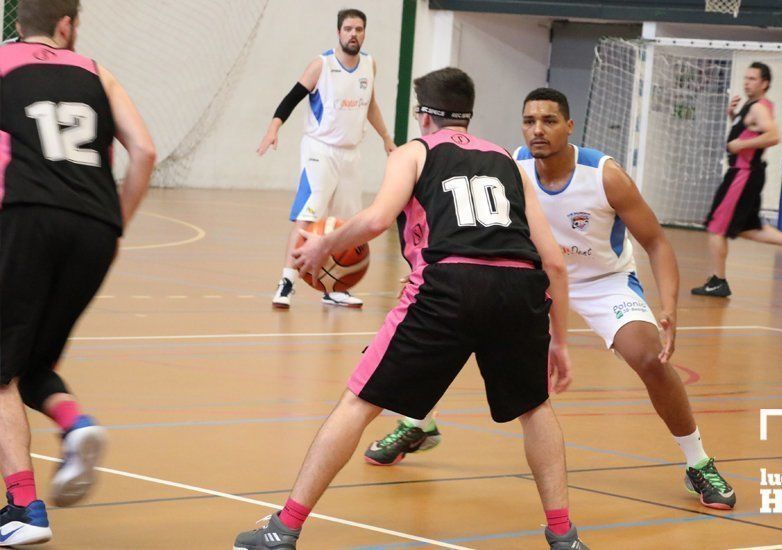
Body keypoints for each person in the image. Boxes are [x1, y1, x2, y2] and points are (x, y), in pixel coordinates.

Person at [233, 68, 588, 550]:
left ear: (423, 114)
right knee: (535, 409)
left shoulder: (414, 152)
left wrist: (323, 247)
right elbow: (554, 263)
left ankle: (286, 527)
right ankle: (564, 535)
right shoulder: (508, 159)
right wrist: (561, 341)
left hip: (448, 287)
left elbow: (378, 218)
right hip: (518, 288)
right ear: (468, 112)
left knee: (358, 402)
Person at [366, 88, 736, 511]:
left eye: (548, 121)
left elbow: (656, 242)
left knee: (650, 358)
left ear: (569, 126)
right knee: (462, 321)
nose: (537, 130)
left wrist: (669, 307)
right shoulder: (509, 165)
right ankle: (418, 424)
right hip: (533, 276)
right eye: (529, 121)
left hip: (603, 280)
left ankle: (698, 462)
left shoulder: (604, 175)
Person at [0, 0, 155, 544]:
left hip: (27, 219)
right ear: (66, 26)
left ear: (19, 23)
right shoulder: (97, 72)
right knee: (33, 362)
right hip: (94, 227)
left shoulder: (2, 62)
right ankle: (77, 426)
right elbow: (144, 152)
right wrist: (116, 225)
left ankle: (23, 508)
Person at [258, 8, 396, 309]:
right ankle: (287, 281)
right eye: (348, 29)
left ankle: (335, 287)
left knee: (345, 224)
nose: (353, 34)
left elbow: (370, 105)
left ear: (364, 33)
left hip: (351, 155)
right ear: (338, 32)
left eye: (359, 29)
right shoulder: (321, 65)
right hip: (319, 150)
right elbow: (291, 98)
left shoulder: (370, 65)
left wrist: (386, 137)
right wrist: (273, 128)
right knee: (309, 216)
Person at [692, 62, 782, 297]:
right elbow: (751, 131)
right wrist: (733, 118)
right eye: (746, 77)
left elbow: (774, 135)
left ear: (765, 83)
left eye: (753, 79)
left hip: (742, 175)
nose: (747, 82)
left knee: (716, 226)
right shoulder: (752, 106)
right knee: (747, 228)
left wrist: (741, 144)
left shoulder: (759, 108)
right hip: (747, 174)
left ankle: (718, 281)